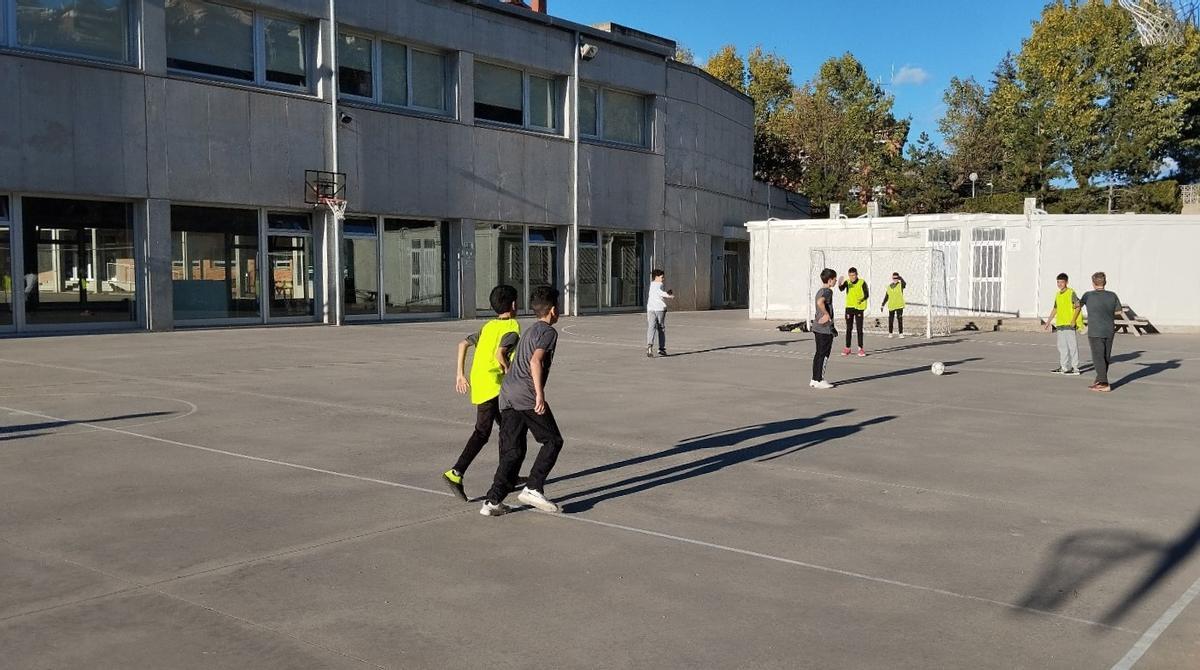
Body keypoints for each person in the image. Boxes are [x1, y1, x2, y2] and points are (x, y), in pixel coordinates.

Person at [482, 286, 565, 516]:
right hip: (526, 394)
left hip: (507, 393)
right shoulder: (548, 332)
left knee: (513, 451)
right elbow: (536, 361)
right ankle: (533, 487)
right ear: (554, 311)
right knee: (553, 441)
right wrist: (539, 394)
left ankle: (493, 501)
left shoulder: (529, 330)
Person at [442, 285, 525, 500]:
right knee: (483, 431)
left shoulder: (488, 326)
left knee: (506, 430)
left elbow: (462, 344)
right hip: (493, 386)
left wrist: (460, 375)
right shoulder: (513, 326)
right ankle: (455, 473)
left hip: (481, 381)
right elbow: (500, 354)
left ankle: (507, 475)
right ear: (514, 305)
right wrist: (510, 374)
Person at [1078, 272, 1121, 393]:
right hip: (1109, 329)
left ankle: (1104, 383)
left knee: (1098, 357)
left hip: (1095, 330)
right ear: (1105, 282)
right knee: (1105, 356)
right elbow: (1118, 312)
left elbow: (1077, 306)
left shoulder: (1088, 295)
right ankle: (1099, 379)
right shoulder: (1112, 295)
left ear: (1093, 283)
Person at [1043, 272, 1083, 375]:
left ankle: (1075, 368)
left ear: (1066, 282)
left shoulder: (1071, 293)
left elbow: (1078, 306)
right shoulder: (1057, 294)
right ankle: (1064, 367)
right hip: (1060, 324)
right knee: (1062, 347)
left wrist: (1074, 320)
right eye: (1058, 282)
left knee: (1072, 347)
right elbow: (1055, 308)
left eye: (1062, 282)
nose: (1060, 284)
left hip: (1069, 324)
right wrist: (1048, 321)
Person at [810, 268, 838, 389]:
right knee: (824, 354)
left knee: (818, 353)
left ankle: (814, 379)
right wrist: (827, 314)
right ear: (830, 280)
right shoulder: (827, 291)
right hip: (824, 328)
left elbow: (819, 301)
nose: (836, 281)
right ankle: (820, 380)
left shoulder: (820, 291)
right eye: (835, 279)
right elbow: (820, 302)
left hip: (817, 327)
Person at [839, 267, 869, 356]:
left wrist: (862, 299)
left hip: (859, 308)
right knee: (849, 329)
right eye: (850, 275)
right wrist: (839, 284)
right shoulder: (847, 282)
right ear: (849, 275)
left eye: (854, 275)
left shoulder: (862, 282)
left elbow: (867, 294)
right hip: (849, 308)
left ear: (857, 274)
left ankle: (860, 348)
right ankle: (847, 348)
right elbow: (841, 289)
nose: (852, 277)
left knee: (859, 329)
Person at [646, 269, 675, 358]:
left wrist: (665, 294)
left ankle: (649, 346)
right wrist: (669, 295)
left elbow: (656, 293)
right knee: (661, 328)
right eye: (662, 277)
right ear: (657, 277)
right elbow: (659, 292)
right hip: (659, 308)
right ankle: (661, 349)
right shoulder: (659, 284)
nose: (663, 279)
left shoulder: (651, 284)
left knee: (651, 327)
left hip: (650, 308)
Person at [882, 272, 906, 339]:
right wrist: (882, 304)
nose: (895, 279)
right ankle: (890, 333)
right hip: (892, 305)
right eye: (894, 278)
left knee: (900, 319)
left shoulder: (900, 285)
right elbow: (886, 296)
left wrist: (901, 278)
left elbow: (904, 284)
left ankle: (901, 333)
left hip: (899, 305)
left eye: (896, 278)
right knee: (891, 320)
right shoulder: (889, 286)